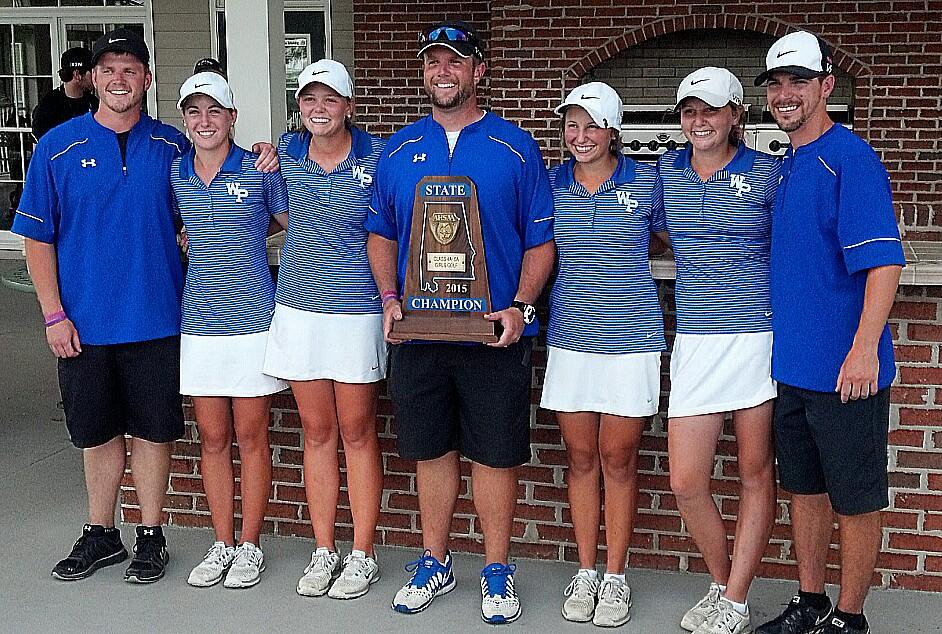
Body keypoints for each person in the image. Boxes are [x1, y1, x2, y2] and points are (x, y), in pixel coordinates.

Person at [11, 28, 278, 585]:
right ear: (93, 78)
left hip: (160, 317)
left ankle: (150, 533)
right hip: (83, 322)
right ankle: (101, 531)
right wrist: (53, 313)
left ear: (147, 80)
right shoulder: (57, 148)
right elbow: (37, 239)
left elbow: (213, 184)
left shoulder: (172, 148)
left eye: (130, 69)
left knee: (153, 431)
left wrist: (264, 154)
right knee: (97, 433)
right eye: (108, 69)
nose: (118, 79)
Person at [365, 20, 555, 625]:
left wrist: (521, 307)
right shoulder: (397, 150)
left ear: (478, 71)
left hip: (489, 332)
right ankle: (435, 560)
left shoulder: (515, 147)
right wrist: (390, 297)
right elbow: (380, 233)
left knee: (494, 456)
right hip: (420, 332)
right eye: (432, 63)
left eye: (455, 62)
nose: (442, 72)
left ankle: (497, 568)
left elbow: (540, 241)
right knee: (430, 451)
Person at [753, 31, 904, 634]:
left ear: (826, 86)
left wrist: (865, 347)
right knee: (807, 490)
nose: (787, 94)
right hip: (794, 365)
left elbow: (885, 263)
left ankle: (849, 617)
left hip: (848, 370)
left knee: (856, 495)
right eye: (777, 84)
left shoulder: (851, 158)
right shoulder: (788, 167)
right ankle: (811, 601)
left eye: (799, 81)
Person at [658, 67, 780, 634]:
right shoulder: (665, 174)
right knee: (686, 481)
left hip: (756, 337)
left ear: (736, 115)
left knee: (755, 474)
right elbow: (655, 232)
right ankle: (722, 582)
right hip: (696, 342)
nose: (698, 121)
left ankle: (734, 599)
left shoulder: (767, 176)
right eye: (688, 111)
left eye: (710, 110)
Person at [540, 81, 665, 628]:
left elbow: (663, 238)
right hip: (570, 339)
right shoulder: (549, 185)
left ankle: (615, 575)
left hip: (632, 341)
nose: (580, 135)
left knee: (617, 458)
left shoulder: (647, 180)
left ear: (613, 131)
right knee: (582, 458)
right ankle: (586, 569)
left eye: (592, 125)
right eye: (572, 124)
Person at [262, 59, 388, 600]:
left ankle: (362, 554)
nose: (318, 108)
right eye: (309, 99)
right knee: (317, 432)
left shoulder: (379, 157)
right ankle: (323, 550)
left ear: (349, 107)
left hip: (357, 312)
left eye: (330, 99)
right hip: (298, 307)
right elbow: (272, 216)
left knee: (358, 431)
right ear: (300, 106)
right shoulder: (283, 156)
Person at [171, 71, 289, 589]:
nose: (204, 121)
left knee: (251, 436)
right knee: (213, 438)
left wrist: (276, 158)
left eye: (214, 111)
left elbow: (290, 221)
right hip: (198, 325)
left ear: (232, 118)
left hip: (251, 324)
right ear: (185, 120)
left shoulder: (260, 167)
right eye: (194, 112)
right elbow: (175, 228)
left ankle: (250, 545)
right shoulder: (174, 172)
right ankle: (221, 542)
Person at [31, 47, 98, 140]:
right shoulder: (47, 107)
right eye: (92, 72)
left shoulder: (94, 103)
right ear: (77, 75)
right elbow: (39, 149)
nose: (96, 77)